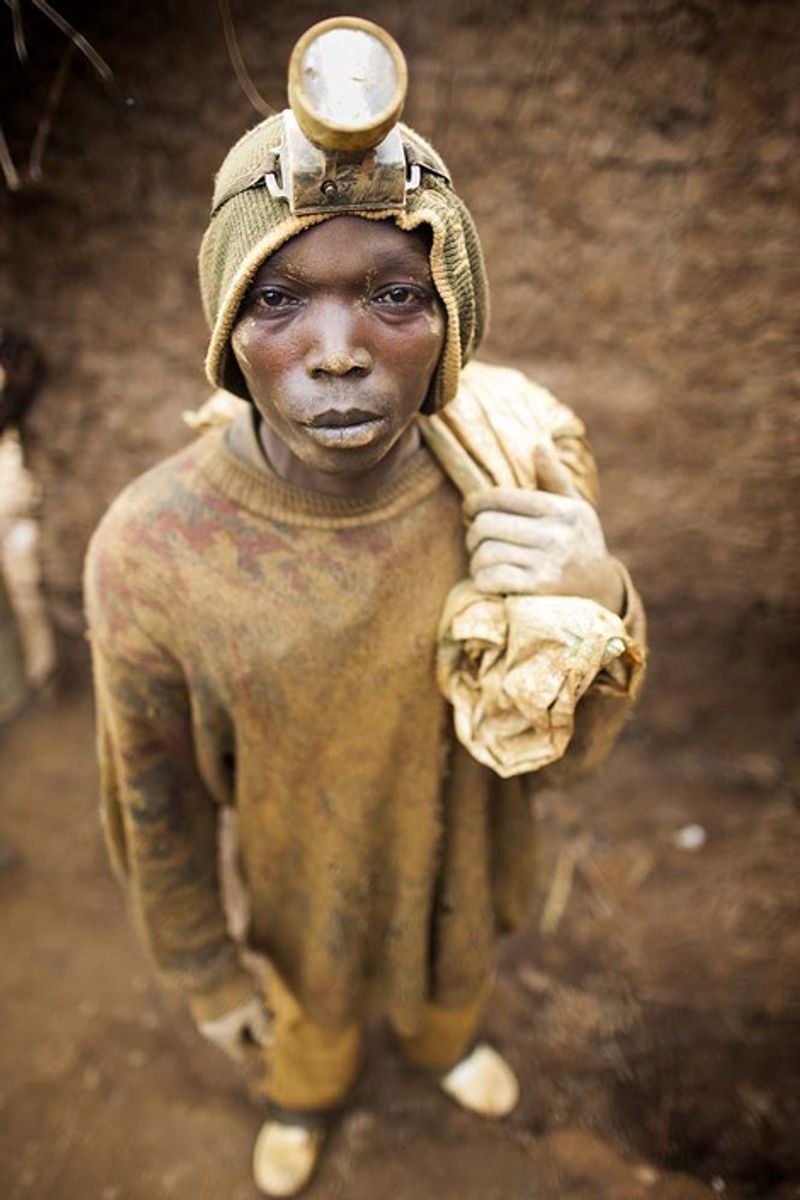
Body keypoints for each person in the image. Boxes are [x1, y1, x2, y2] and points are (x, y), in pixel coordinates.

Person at [84, 99, 646, 1196]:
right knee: (308, 1021)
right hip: (304, 893)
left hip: (460, 857)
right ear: (223, 330)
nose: (335, 355)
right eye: (277, 299)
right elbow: (156, 805)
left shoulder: (510, 479)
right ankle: (304, 1093)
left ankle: (444, 1046)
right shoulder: (154, 551)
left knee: (452, 982)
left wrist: (597, 598)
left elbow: (567, 752)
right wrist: (206, 973)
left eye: (393, 295)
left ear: (454, 315)